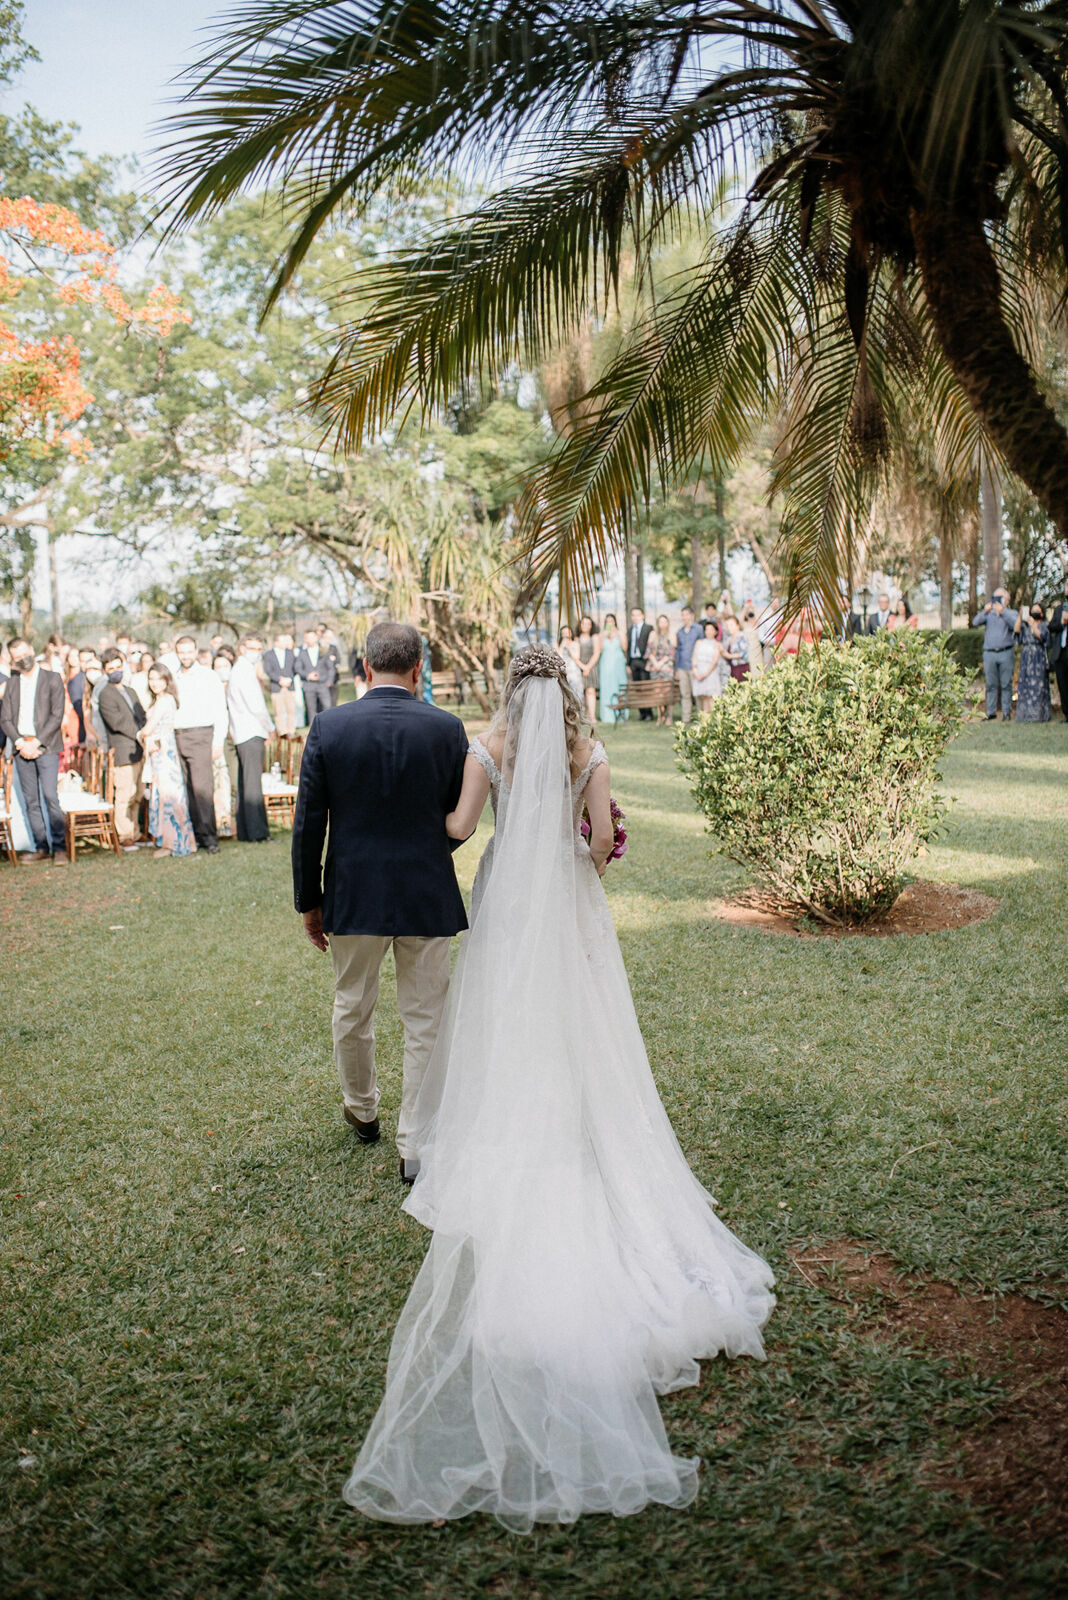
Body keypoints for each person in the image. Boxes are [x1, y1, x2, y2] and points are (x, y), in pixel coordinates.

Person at [342, 645, 774, 1529]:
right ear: (571, 692)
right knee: (585, 1027)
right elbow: (605, 839)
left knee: (507, 1022)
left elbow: (460, 830)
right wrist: (591, 854)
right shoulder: (592, 751)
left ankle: (520, 1132)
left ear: (512, 690)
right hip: (571, 898)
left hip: (508, 899)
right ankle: (586, 1131)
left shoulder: (488, 742)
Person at [292, 621, 471, 1181]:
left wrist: (310, 900)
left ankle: (362, 1109)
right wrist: (424, 850)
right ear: (419, 669)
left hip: (354, 893)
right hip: (425, 892)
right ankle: (414, 1147)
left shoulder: (329, 725)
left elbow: (307, 826)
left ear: (364, 669)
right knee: (426, 1020)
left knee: (352, 1006)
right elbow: (458, 820)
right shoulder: (447, 728)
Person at [0, 638, 67, 862]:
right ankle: (41, 847)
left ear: (31, 650)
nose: (22, 658)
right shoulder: (12, 683)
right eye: (16, 656)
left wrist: (36, 742)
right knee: (31, 801)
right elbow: (6, 718)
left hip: (45, 747)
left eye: (23, 653)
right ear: (12, 658)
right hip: (21, 747)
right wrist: (20, 742)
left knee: (50, 796)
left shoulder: (52, 678)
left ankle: (59, 848)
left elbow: (56, 716)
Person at [172, 635, 229, 853]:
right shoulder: (173, 677)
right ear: (177, 653)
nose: (185, 656)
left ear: (196, 651)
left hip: (201, 734)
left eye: (189, 651)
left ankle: (210, 837)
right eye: (181, 652)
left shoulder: (208, 676)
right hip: (178, 735)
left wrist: (218, 742)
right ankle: (195, 834)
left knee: (202, 788)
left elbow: (220, 711)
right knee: (187, 788)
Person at [139, 665, 196, 857]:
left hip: (164, 754)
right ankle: (175, 841)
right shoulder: (160, 700)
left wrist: (140, 735)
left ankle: (174, 843)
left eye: (158, 679)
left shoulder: (165, 700)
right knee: (166, 797)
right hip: (159, 752)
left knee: (169, 798)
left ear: (166, 680)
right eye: (151, 679)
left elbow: (148, 729)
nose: (154, 683)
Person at [98, 649, 147, 847]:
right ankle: (124, 834)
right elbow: (117, 722)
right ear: (105, 671)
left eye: (118, 667)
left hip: (139, 749)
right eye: (111, 668)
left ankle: (135, 832)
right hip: (123, 750)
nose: (116, 671)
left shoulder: (131, 691)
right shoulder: (105, 695)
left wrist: (144, 732)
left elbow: (141, 714)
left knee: (137, 794)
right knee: (125, 794)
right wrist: (138, 733)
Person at [228, 634, 274, 842]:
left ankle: (246, 830)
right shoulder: (244, 671)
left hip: (242, 732)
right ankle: (258, 832)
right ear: (242, 648)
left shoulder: (239, 670)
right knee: (253, 784)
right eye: (252, 648)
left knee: (246, 782)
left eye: (259, 648)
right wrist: (270, 727)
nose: (256, 652)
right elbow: (257, 706)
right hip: (251, 731)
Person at [972, 588, 1019, 720]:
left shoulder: (1011, 613)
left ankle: (1006, 712)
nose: (996, 601)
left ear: (1007, 600)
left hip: (1006, 652)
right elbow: (975, 622)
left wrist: (1002, 612)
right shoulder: (989, 614)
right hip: (990, 653)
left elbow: (1016, 625)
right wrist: (985, 611)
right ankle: (990, 712)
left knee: (1006, 684)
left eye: (1000, 598)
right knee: (991, 684)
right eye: (995, 598)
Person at [1013, 605, 1052, 722]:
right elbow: (1016, 631)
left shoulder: (1044, 625)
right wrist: (1020, 616)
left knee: (1038, 686)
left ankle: (1038, 715)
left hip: (1038, 658)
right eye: (1032, 610)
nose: (1034, 612)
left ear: (1042, 613)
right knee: (1025, 685)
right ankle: (1024, 715)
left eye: (1037, 610)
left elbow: (1043, 637)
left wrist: (1033, 625)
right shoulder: (1025, 625)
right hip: (1027, 658)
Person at [296, 628, 337, 724]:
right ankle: (314, 729)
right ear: (305, 639)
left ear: (316, 638)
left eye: (312, 637)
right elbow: (297, 667)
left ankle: (328, 725)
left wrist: (329, 681)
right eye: (307, 638)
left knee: (327, 706)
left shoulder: (324, 650)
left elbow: (330, 667)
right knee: (311, 709)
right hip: (308, 685)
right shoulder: (301, 652)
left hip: (323, 684)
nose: (310, 640)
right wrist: (307, 676)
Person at [264, 634, 298, 735]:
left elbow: (296, 668)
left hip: (289, 686)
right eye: (282, 641)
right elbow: (268, 670)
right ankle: (282, 731)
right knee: (278, 711)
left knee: (291, 710)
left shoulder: (291, 653)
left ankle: (291, 731)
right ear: (276, 642)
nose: (285, 643)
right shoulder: (269, 654)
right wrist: (279, 680)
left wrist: (289, 679)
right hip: (276, 687)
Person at [597, 613, 629, 722]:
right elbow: (600, 650)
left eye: (611, 621)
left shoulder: (620, 633)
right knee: (607, 688)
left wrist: (618, 635)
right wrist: (604, 636)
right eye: (607, 621)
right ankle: (607, 715)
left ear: (615, 622)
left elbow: (625, 648)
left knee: (619, 686)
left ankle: (621, 713)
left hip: (618, 664)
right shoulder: (601, 635)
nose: (610, 623)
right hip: (606, 664)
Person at [646, 613, 676, 725]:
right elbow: (649, 651)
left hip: (666, 667)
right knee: (657, 693)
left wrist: (661, 663)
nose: (662, 624)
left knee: (667, 693)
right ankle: (660, 716)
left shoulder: (671, 635)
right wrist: (655, 663)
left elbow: (671, 652)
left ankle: (669, 717)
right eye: (660, 621)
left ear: (668, 623)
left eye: (664, 621)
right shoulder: (653, 634)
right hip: (655, 667)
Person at [674, 605, 702, 722]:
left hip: (695, 666)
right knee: (685, 694)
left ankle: (701, 717)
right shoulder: (679, 632)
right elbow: (677, 651)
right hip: (682, 666)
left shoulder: (699, 629)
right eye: (682, 615)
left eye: (686, 614)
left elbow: (701, 646)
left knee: (697, 693)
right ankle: (686, 717)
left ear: (692, 615)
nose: (684, 617)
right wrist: (676, 669)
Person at [626, 607, 654, 720]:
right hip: (633, 661)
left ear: (642, 616)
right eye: (633, 615)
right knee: (637, 688)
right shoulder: (630, 629)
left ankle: (648, 713)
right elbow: (628, 647)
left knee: (645, 688)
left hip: (644, 661)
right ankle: (642, 713)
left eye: (638, 615)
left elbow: (651, 646)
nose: (635, 617)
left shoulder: (649, 628)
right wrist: (628, 664)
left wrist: (649, 661)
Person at [690, 619, 723, 712]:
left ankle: (714, 720)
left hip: (710, 673)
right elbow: (694, 657)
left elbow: (715, 661)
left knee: (711, 697)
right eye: (707, 629)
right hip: (699, 671)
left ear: (716, 631)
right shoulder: (699, 642)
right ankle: (705, 721)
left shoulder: (717, 644)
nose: (709, 632)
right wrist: (696, 672)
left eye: (711, 629)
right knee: (704, 697)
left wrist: (705, 674)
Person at [576, 615, 602, 724]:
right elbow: (575, 655)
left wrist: (588, 667)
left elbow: (597, 653)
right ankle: (584, 715)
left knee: (590, 691)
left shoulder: (594, 637)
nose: (585, 626)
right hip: (579, 666)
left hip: (591, 666)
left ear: (591, 626)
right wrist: (582, 666)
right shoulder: (576, 638)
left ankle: (592, 716)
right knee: (582, 691)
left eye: (588, 624)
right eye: (583, 623)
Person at [1048, 582, 1068, 721]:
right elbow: (1051, 626)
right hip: (1060, 653)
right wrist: (1062, 622)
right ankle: (1066, 713)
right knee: (1063, 684)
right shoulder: (1060, 608)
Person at [555, 626, 585, 702]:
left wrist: (569, 648)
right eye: (564, 633)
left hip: (574, 671)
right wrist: (562, 646)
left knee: (577, 693)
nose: (566, 635)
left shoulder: (575, 643)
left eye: (567, 633)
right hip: (563, 671)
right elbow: (557, 658)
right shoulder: (557, 644)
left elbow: (576, 657)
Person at [317, 622, 343, 707]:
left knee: (333, 700)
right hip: (322, 678)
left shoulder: (333, 647)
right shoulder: (318, 647)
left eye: (331, 637)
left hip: (333, 677)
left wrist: (334, 661)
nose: (329, 639)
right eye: (327, 637)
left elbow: (338, 659)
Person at [723, 614, 750, 680]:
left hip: (742, 669)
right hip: (732, 669)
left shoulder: (741, 636)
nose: (729, 627)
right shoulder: (728, 639)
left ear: (737, 625)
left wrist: (729, 656)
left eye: (731, 625)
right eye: (727, 626)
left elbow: (744, 653)